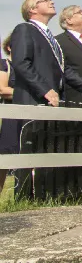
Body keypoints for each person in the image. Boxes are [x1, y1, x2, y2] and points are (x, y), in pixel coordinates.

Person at [9, 0, 82, 108]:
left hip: (51, 101)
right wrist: (45, 89)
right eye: (45, 0)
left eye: (50, 0)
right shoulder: (24, 29)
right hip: (32, 101)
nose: (52, 2)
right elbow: (21, 63)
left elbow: (64, 69)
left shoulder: (51, 39)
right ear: (32, 9)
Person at [0, 36, 16, 193]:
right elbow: (2, 89)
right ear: (9, 47)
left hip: (30, 113)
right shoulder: (4, 64)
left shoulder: (29, 67)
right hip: (11, 115)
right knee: (4, 155)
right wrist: (25, 94)